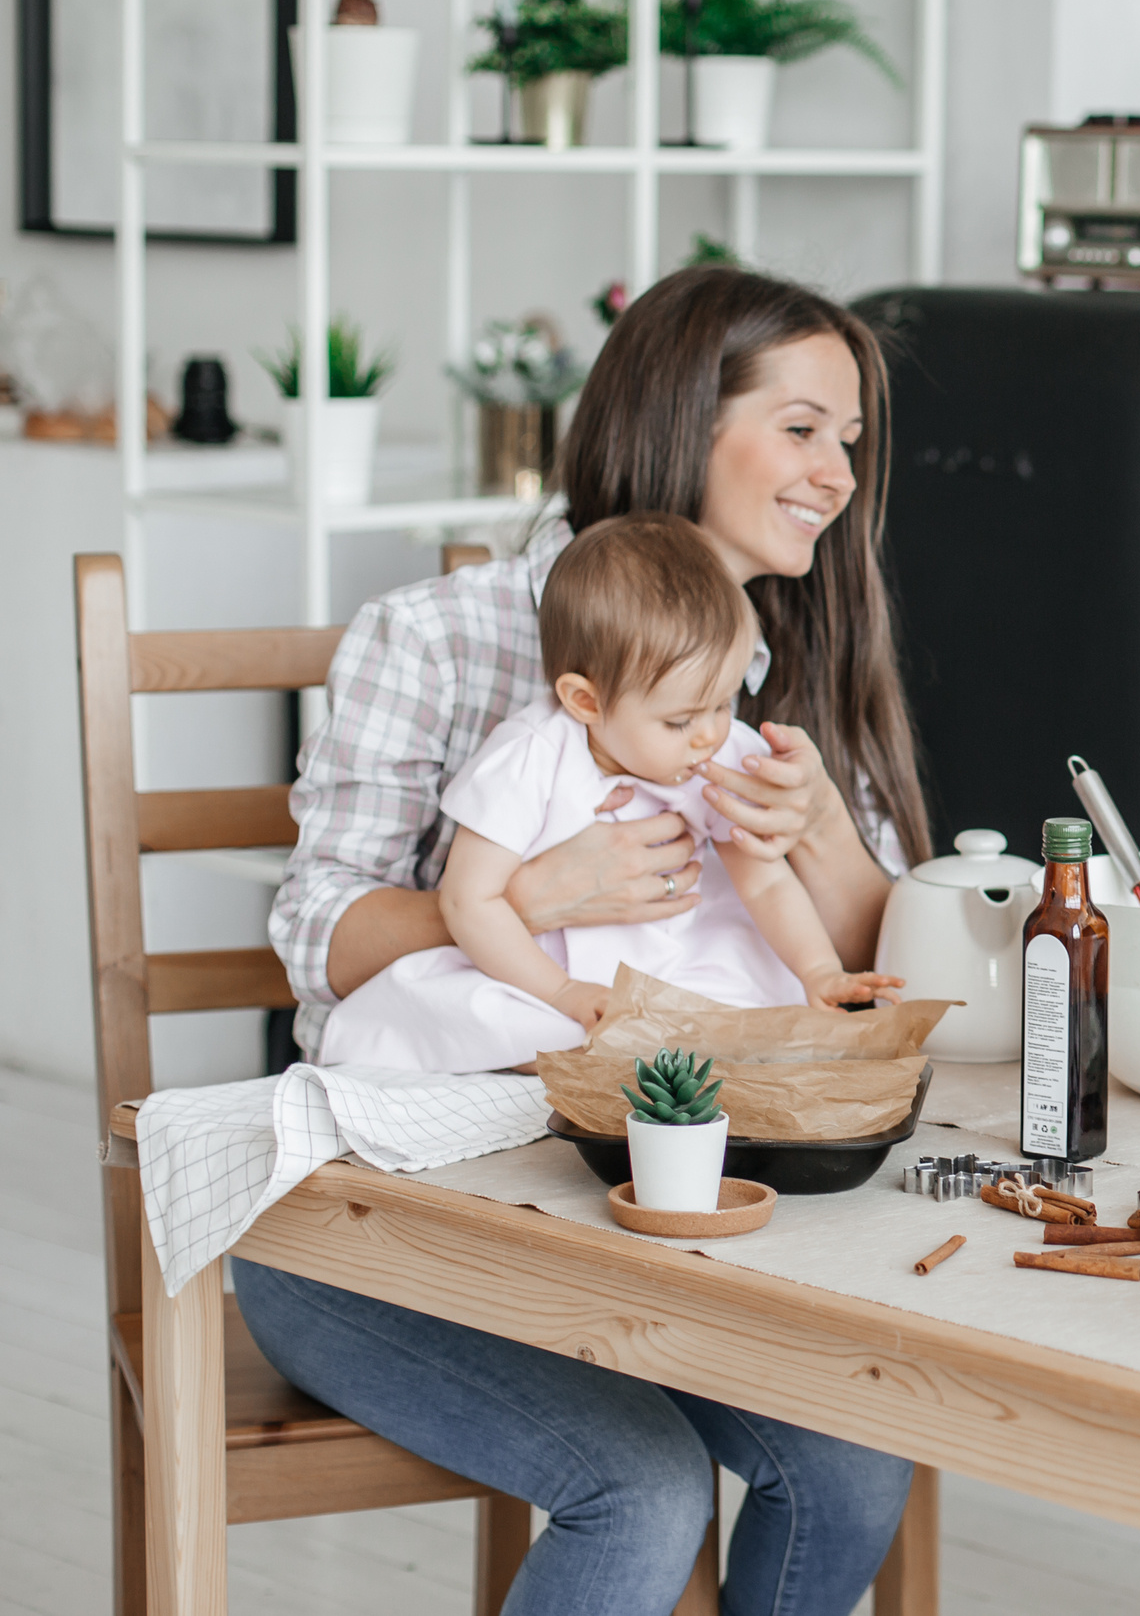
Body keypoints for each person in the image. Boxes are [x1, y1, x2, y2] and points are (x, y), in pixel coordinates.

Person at [242, 266, 926, 1615]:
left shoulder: (783, 660)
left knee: (855, 1458)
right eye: (800, 428)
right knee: (646, 1489)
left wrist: (819, 830)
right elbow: (310, 935)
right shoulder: (438, 635)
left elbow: (871, 976)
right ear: (678, 422)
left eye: (849, 439)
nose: (838, 474)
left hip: (650, 1204)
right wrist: (527, 899)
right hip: (386, 1211)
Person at [320, 512, 901, 1070]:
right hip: (542, 973)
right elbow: (467, 901)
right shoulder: (529, 757)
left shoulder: (717, 751)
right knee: (480, 1014)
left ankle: (667, 1051)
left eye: (724, 703)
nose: (710, 734)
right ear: (585, 702)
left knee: (747, 1014)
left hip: (682, 961)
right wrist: (563, 991)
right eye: (679, 720)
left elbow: (765, 880)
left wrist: (818, 970)